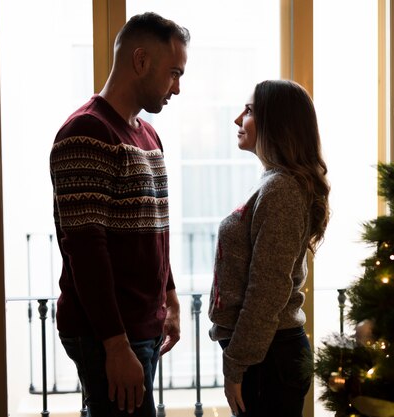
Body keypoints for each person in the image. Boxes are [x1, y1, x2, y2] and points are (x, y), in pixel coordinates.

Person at [49, 12, 190, 416]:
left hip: (142, 327)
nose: (176, 88)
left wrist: (170, 297)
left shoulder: (148, 135)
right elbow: (86, 250)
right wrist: (115, 344)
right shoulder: (86, 133)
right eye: (173, 73)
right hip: (108, 334)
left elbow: (155, 227)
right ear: (141, 61)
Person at [208, 79, 330, 417]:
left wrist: (235, 365)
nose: (237, 120)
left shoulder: (281, 190)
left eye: (248, 111)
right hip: (265, 353)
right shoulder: (274, 183)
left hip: (267, 357)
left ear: (276, 122)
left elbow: (267, 291)